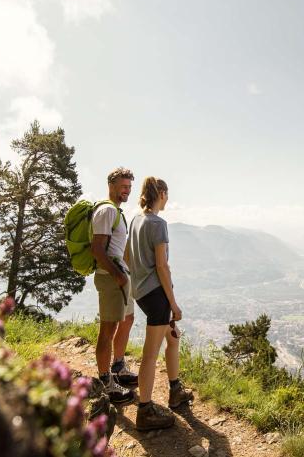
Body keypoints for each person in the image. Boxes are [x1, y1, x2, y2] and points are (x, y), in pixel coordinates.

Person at [125, 176, 194, 431]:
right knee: (150, 354)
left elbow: (127, 256)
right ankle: (145, 411)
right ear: (161, 193)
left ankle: (175, 390)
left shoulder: (136, 221)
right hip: (157, 296)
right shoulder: (158, 224)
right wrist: (173, 304)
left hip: (142, 292)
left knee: (172, 339)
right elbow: (162, 266)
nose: (168, 199)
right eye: (167, 194)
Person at [91, 167, 138, 406]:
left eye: (129, 187)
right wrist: (118, 275)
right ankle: (105, 382)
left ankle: (118, 366)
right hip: (110, 278)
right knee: (107, 331)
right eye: (123, 186)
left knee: (127, 319)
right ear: (111, 185)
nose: (126, 191)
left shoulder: (116, 211)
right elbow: (97, 249)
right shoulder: (107, 210)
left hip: (119, 276)